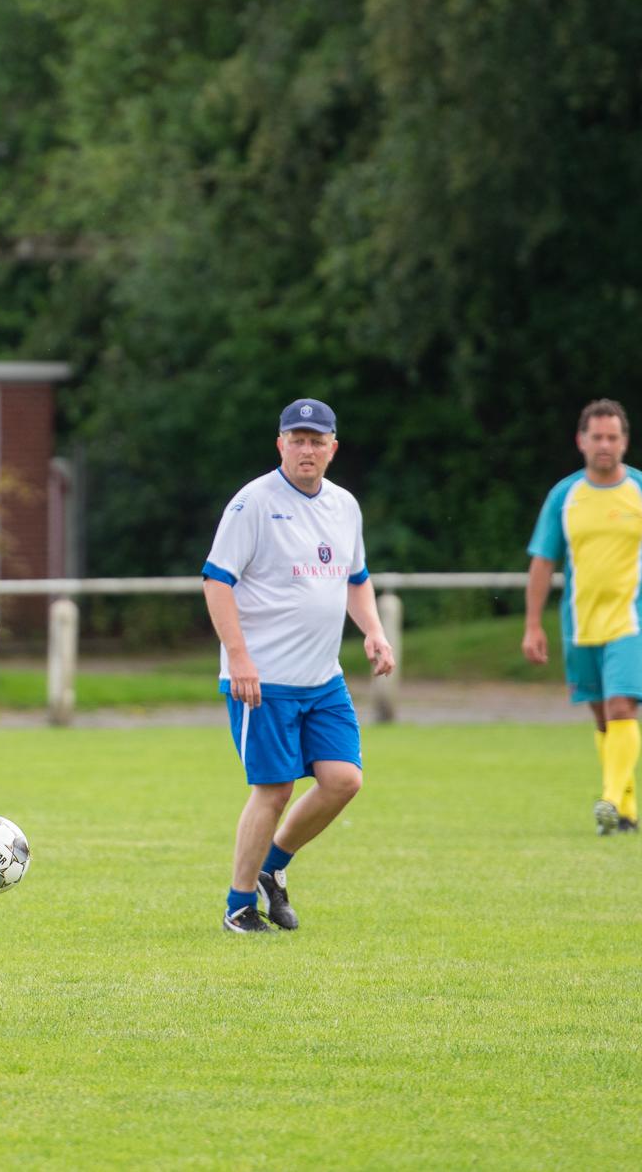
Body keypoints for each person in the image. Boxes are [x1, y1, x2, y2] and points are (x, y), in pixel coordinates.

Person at [201, 399, 395, 934]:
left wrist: (374, 631)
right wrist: (240, 658)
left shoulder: (344, 505)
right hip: (264, 681)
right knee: (275, 790)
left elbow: (356, 579)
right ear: (280, 444)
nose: (307, 449)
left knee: (344, 780)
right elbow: (216, 581)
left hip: (323, 679)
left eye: (317, 441)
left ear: (333, 448)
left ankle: (271, 868)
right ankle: (239, 906)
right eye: (297, 439)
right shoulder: (253, 503)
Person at [522, 399, 642, 835]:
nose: (604, 445)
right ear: (580, 441)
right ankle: (627, 812)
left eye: (612, 437)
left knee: (622, 705)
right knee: (603, 717)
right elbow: (542, 561)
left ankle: (610, 798)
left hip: (634, 619)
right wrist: (532, 625)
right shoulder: (564, 496)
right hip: (580, 621)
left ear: (625, 442)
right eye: (596, 437)